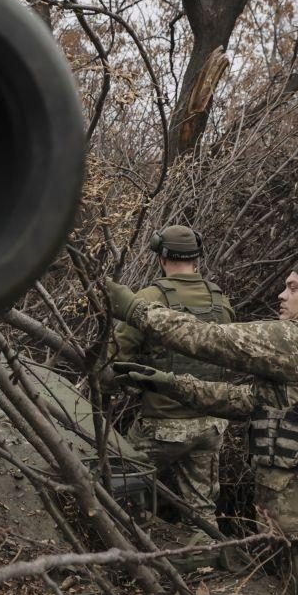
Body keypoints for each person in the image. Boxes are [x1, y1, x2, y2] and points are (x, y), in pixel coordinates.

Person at [107, 257, 298, 595]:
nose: (282, 296)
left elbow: (212, 338)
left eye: (293, 288)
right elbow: (246, 401)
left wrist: (136, 309)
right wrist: (168, 383)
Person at [108, 225, 234, 538]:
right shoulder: (221, 301)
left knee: (121, 484)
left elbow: (117, 358)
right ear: (198, 257)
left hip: (163, 427)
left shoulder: (148, 299)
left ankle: (122, 552)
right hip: (210, 424)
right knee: (202, 507)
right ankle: (207, 559)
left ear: (162, 257)